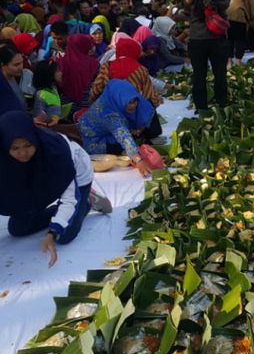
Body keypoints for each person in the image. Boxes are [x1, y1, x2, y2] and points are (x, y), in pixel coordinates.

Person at [0, 111, 112, 267]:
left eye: (28, 145)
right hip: (41, 182)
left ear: (35, 139)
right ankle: (63, 211)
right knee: (17, 228)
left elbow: (68, 199)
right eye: (15, 148)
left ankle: (86, 201)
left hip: (76, 178)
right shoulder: (4, 160)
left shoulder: (58, 154)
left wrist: (53, 231)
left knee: (63, 235)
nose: (23, 153)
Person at [78, 80, 157, 177]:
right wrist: (139, 160)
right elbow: (123, 137)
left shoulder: (113, 101)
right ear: (118, 98)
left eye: (134, 101)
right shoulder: (109, 114)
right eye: (129, 102)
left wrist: (140, 128)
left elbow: (146, 109)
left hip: (108, 131)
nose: (133, 105)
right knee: (125, 147)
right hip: (93, 140)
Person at [184, 0, 231, 111]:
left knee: (220, 74)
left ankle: (222, 104)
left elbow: (224, 4)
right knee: (199, 75)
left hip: (217, 37)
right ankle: (201, 107)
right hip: (197, 38)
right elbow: (186, 4)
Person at [90, 36, 161, 108]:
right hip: (130, 109)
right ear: (136, 51)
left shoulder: (108, 65)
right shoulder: (141, 70)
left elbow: (96, 89)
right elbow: (150, 95)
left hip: (109, 107)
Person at [227, 0, 254, 65]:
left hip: (226, 19)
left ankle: (229, 62)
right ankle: (238, 61)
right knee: (240, 40)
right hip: (239, 19)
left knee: (229, 40)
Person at [31, 59, 64, 124]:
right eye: (57, 71)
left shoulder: (53, 87)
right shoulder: (40, 95)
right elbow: (38, 120)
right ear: (49, 74)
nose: (61, 73)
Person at [1, 41, 26, 106]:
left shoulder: (16, 76)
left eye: (22, 62)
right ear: (3, 65)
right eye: (16, 65)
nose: (21, 67)